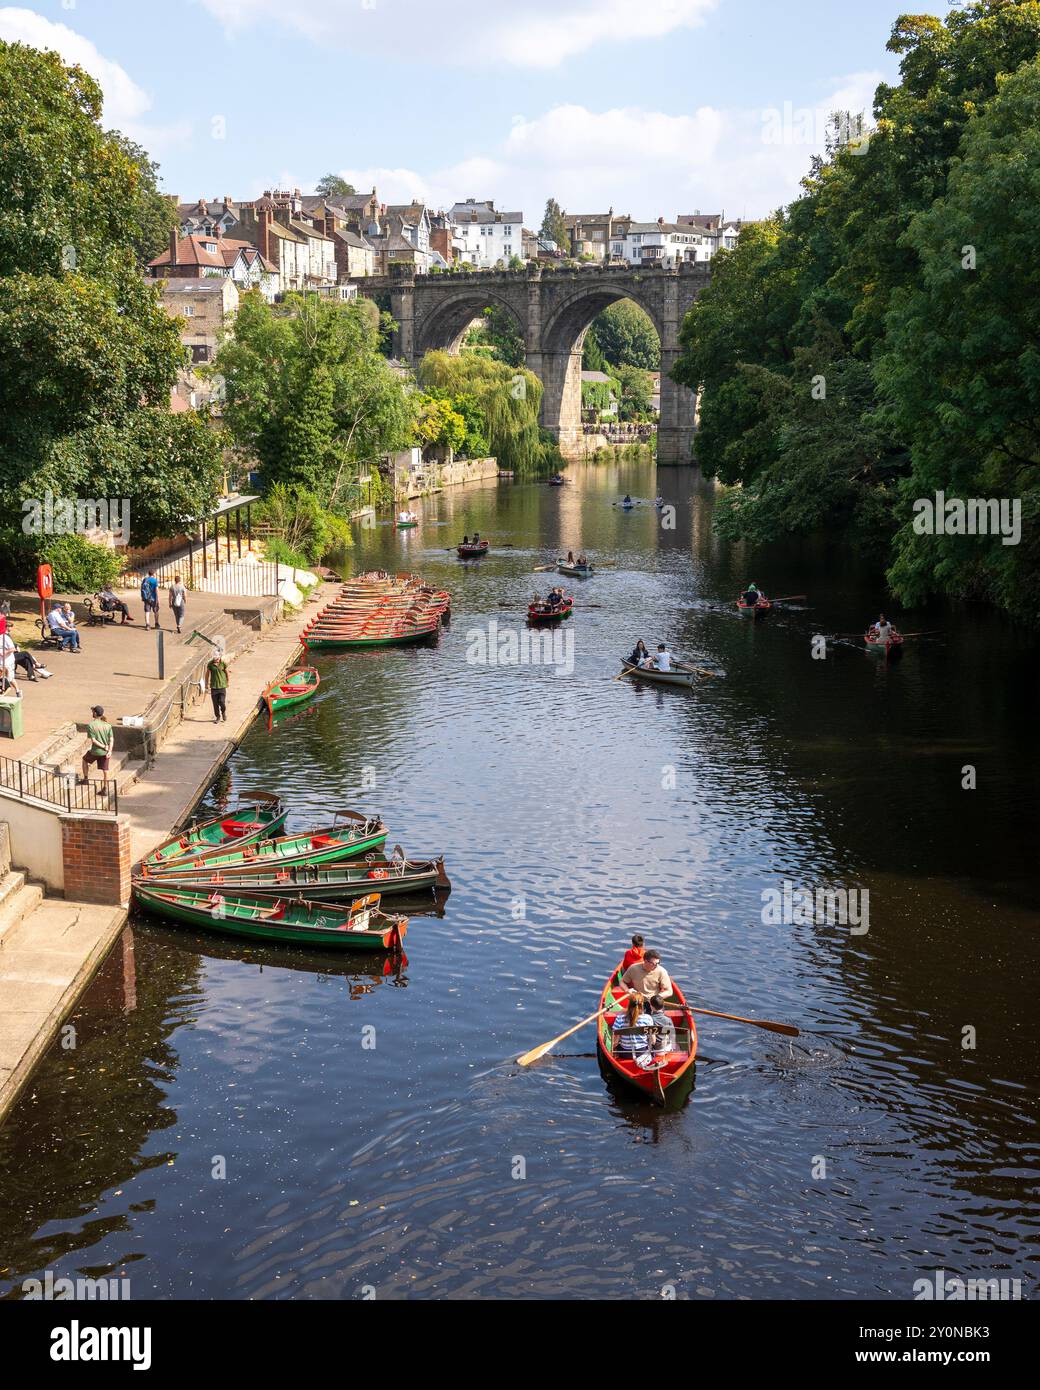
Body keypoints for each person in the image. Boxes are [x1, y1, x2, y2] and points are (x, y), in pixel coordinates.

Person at [611, 993, 655, 1059]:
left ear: (629, 1004)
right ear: (642, 1004)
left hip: (625, 1054)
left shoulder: (620, 1018)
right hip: (642, 1053)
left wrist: (614, 1050)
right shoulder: (648, 1018)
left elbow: (615, 1042)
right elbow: (653, 1041)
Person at [80, 705, 114, 787]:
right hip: (105, 752)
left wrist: (103, 746)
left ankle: (86, 779)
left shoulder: (91, 725)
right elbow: (112, 739)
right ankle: (105, 788)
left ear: (95, 713)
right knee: (105, 770)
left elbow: (94, 740)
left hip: (95, 751)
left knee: (85, 760)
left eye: (93, 712)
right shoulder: (108, 725)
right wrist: (109, 751)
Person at [206, 650, 229, 723]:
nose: (216, 659)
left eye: (217, 658)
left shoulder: (223, 663)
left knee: (222, 702)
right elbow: (207, 674)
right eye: (215, 658)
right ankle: (218, 717)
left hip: (222, 686)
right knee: (215, 703)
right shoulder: (210, 664)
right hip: (214, 686)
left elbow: (226, 672)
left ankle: (223, 712)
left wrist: (228, 681)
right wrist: (206, 683)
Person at [0, 629, 21, 697]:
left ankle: (17, 691)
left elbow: (13, 649)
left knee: (9, 678)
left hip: (8, 661)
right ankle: (2, 691)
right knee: (2, 678)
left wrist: (5, 652)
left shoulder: (5, 638)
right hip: (0, 662)